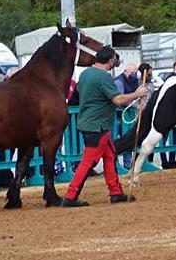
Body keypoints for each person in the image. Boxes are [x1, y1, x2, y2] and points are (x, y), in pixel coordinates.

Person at [62, 46, 145, 207]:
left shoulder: (85, 74)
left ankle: (116, 192)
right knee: (88, 162)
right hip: (97, 126)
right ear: (110, 60)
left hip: (91, 123)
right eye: (114, 59)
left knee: (110, 156)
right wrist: (137, 94)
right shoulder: (104, 77)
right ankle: (70, 196)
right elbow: (118, 100)